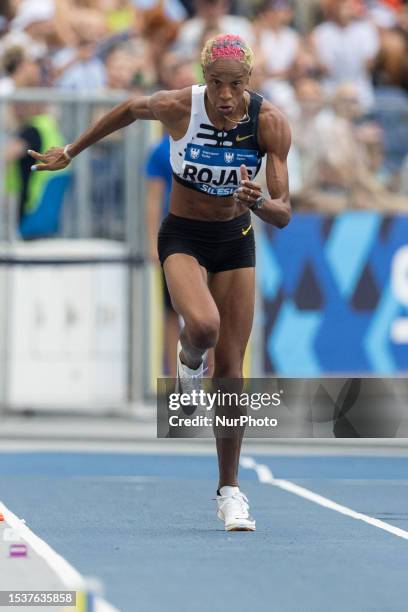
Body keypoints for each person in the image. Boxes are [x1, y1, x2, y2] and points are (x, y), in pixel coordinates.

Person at [27, 33, 292, 532]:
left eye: (235, 86)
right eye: (216, 84)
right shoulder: (178, 107)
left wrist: (258, 202)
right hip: (183, 236)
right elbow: (128, 108)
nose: (226, 97)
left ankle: (230, 491)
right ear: (202, 79)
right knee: (206, 327)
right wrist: (73, 151)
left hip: (236, 239)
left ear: (249, 82)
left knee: (232, 370)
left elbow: (283, 213)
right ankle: (188, 360)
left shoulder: (270, 123)